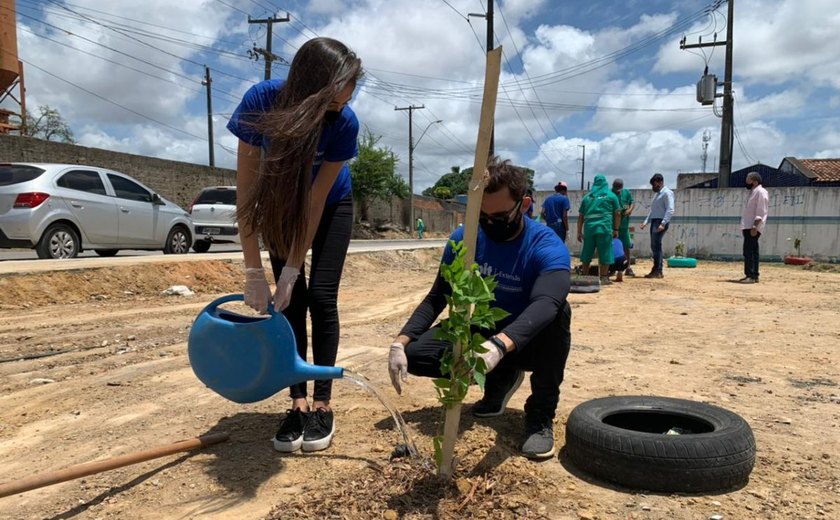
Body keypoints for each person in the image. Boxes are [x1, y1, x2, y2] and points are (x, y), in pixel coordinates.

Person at [227, 37, 362, 453]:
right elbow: (247, 193)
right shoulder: (262, 102)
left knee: (320, 297)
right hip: (279, 202)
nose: (339, 108)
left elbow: (317, 199)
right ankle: (298, 402)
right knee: (290, 304)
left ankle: (322, 402)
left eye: (343, 102)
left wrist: (291, 267)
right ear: (312, 89)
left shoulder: (344, 122)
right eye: (333, 101)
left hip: (332, 204)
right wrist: (254, 271)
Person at [387, 157, 572, 459]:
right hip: (483, 330)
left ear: (524, 205)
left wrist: (499, 347)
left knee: (559, 315)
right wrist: (400, 341)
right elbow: (438, 296)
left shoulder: (545, 245)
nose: (489, 224)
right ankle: (501, 378)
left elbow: (547, 302)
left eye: (498, 216)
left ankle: (540, 414)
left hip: (529, 337)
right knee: (416, 354)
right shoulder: (466, 239)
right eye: (481, 216)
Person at [576, 175, 621, 286]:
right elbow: (618, 213)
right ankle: (604, 277)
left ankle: (585, 275)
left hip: (589, 229)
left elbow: (581, 216)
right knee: (605, 252)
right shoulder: (611, 196)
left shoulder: (587, 198)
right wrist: (616, 229)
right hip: (604, 228)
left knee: (587, 252)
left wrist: (578, 232)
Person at [640, 173, 675, 279]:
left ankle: (658, 270)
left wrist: (663, 223)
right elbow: (653, 211)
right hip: (655, 221)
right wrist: (646, 221)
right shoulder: (657, 195)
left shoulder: (667, 193)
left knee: (656, 246)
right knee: (654, 246)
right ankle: (656, 269)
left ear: (660, 182)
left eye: (654, 184)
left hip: (660, 222)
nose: (653, 187)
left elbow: (670, 209)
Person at [739, 171, 769, 283]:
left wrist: (755, 226)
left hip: (753, 226)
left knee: (749, 251)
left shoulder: (761, 192)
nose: (746, 182)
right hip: (748, 226)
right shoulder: (753, 192)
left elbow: (761, 210)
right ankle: (754, 275)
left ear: (754, 181)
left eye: (748, 180)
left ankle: (751, 275)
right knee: (752, 251)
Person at [611, 178, 636, 277]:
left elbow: (632, 203)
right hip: (612, 226)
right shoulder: (609, 193)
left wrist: (630, 210)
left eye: (619, 189)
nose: (617, 191)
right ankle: (612, 268)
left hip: (624, 225)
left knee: (626, 246)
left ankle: (628, 267)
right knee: (612, 247)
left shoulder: (626, 193)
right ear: (612, 186)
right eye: (615, 188)